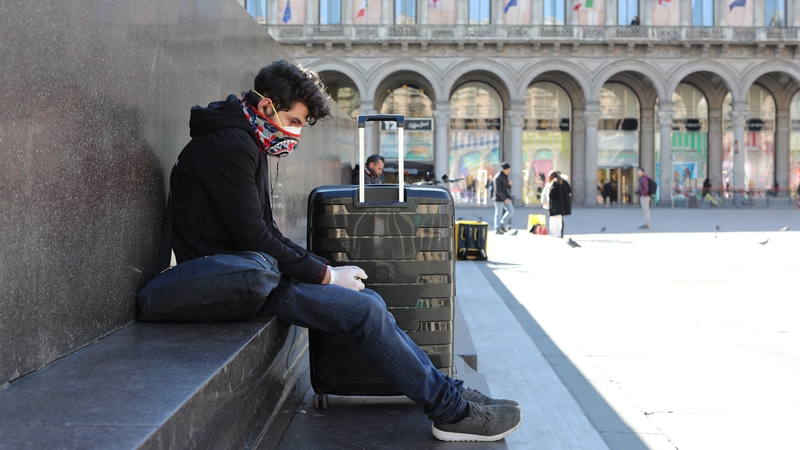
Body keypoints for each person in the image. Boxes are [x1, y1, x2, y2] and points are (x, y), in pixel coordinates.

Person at [169, 60, 521, 442]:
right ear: (266, 107)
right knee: (364, 309)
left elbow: (262, 230)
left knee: (367, 299)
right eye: (296, 121)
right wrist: (326, 276)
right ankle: (451, 412)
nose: (295, 133)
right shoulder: (230, 145)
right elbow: (254, 237)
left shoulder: (240, 138)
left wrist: (327, 269)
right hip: (229, 281)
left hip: (250, 270)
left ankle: (445, 391)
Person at [541, 171, 571, 238]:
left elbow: (551, 194)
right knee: (559, 221)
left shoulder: (554, 183)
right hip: (562, 206)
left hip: (554, 206)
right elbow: (569, 190)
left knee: (553, 221)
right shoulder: (564, 182)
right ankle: (559, 234)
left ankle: (554, 234)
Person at [493, 162, 514, 235]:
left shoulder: (505, 176)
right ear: (504, 169)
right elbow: (497, 190)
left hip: (506, 198)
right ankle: (497, 228)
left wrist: (509, 185)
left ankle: (503, 225)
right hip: (499, 198)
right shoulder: (498, 177)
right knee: (498, 213)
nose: (509, 171)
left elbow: (505, 188)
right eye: (508, 170)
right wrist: (505, 198)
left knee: (511, 210)